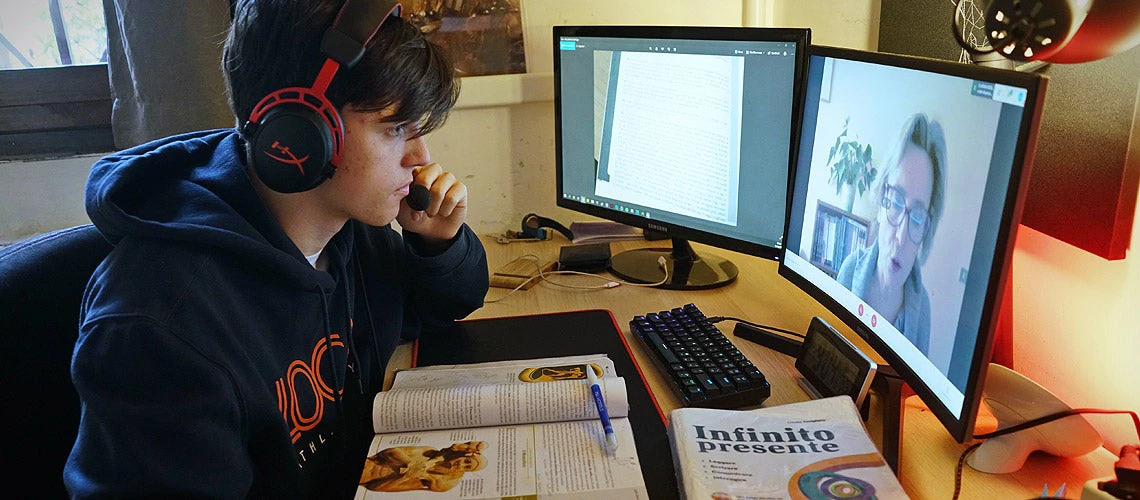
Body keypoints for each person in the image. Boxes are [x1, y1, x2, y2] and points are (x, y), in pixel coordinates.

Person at [63, 0, 489, 497]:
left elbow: (442, 308)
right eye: (396, 129)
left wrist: (437, 243)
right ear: (302, 131)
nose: (421, 158)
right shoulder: (158, 324)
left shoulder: (350, 228)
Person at [836, 113, 946, 355]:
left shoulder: (922, 311)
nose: (900, 237)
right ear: (881, 199)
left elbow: (910, 392)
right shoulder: (850, 269)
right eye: (896, 201)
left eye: (917, 217)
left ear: (927, 227)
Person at [359, 441, 488, 492]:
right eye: (466, 461)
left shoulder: (436, 481)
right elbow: (388, 453)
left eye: (466, 467)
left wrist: (407, 476)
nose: (461, 464)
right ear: (465, 455)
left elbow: (374, 487)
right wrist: (410, 464)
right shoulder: (428, 451)